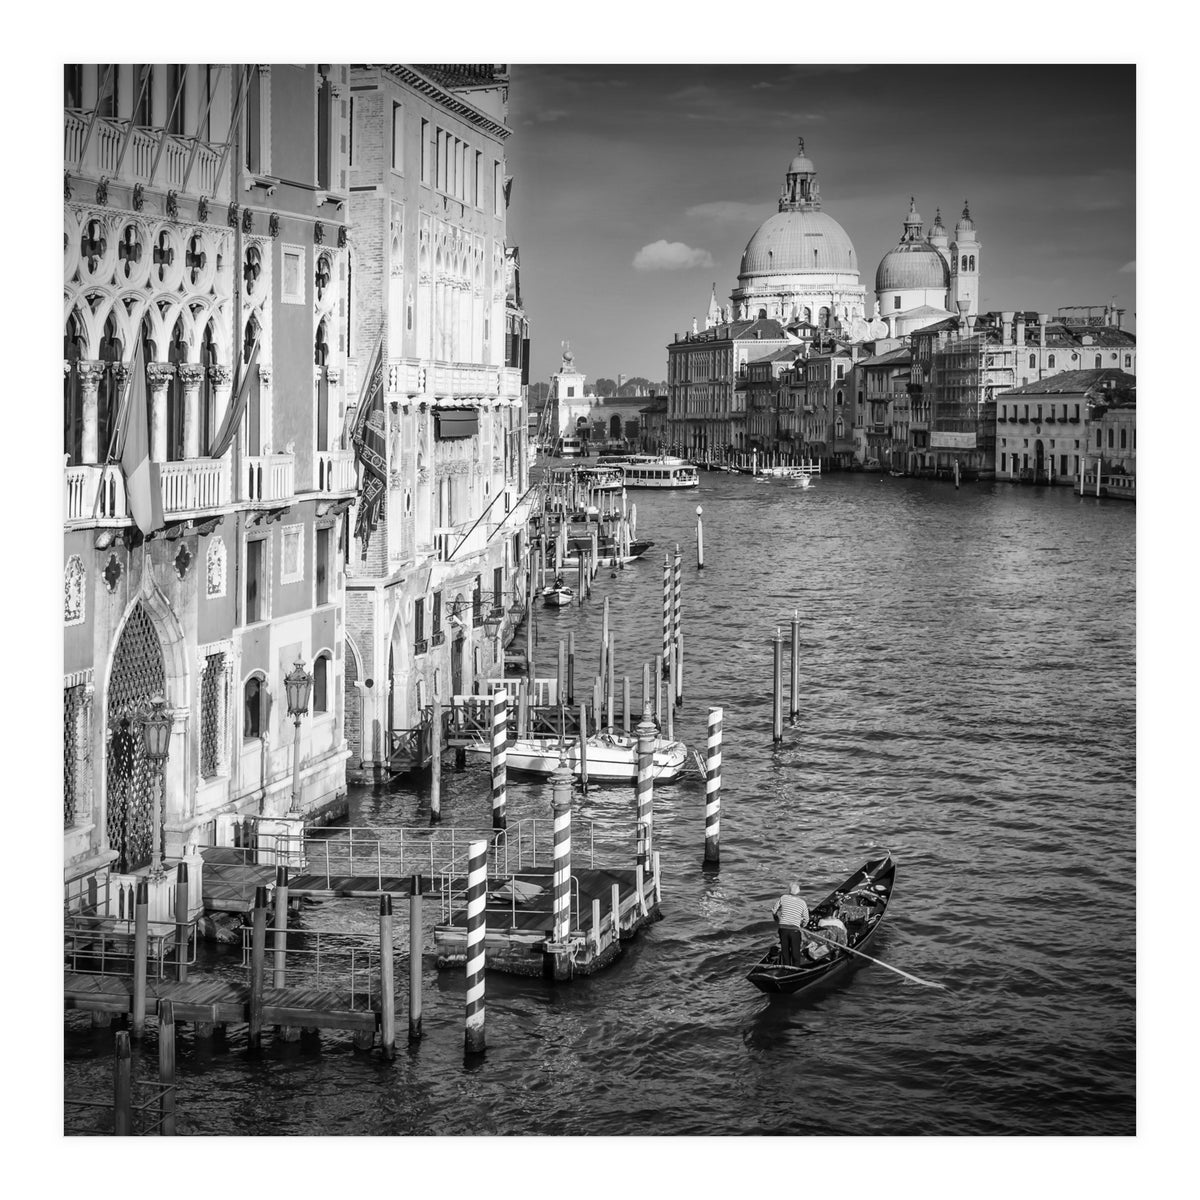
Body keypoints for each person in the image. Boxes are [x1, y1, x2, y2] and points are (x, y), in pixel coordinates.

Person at [772, 882, 809, 966]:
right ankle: (796, 969)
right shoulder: (802, 902)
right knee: (795, 952)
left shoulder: (783, 897)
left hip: (783, 929)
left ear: (789, 890)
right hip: (795, 930)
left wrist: (777, 920)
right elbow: (806, 919)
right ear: (798, 892)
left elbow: (774, 911)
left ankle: (786, 968)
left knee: (785, 951)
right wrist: (802, 925)